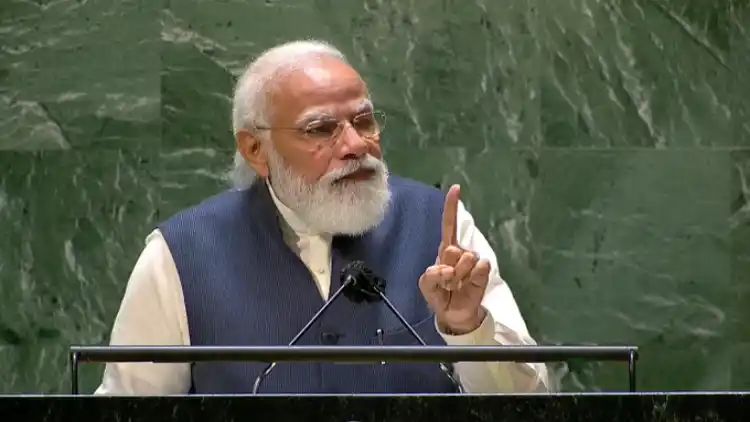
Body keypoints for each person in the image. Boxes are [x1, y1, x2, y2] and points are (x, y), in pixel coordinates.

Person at [95, 39, 549, 395]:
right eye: (320, 129)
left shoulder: (440, 230)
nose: (354, 145)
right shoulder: (180, 255)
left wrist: (469, 328)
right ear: (256, 149)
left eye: (365, 121)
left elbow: (531, 404)